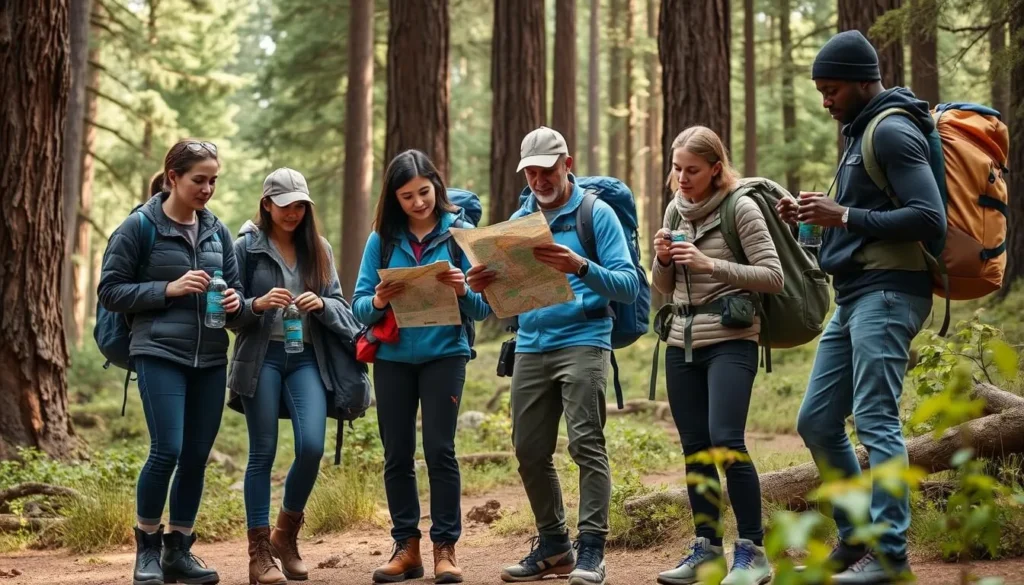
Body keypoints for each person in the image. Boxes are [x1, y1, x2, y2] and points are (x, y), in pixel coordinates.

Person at [775, 30, 945, 585]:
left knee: (874, 418)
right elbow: (859, 209)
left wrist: (843, 217)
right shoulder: (858, 132)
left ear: (860, 79)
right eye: (821, 91)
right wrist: (812, 216)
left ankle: (891, 556)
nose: (825, 100)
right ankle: (858, 538)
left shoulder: (892, 131)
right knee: (818, 421)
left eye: (831, 89)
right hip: (854, 296)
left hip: (891, 291)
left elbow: (929, 217)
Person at [467, 126, 640, 585]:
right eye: (531, 173)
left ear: (567, 163)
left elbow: (628, 285)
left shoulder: (595, 214)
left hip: (584, 339)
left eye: (547, 170)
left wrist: (579, 265)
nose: (539, 181)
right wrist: (479, 288)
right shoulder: (519, 219)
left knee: (586, 443)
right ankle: (554, 545)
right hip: (530, 344)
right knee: (528, 450)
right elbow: (493, 305)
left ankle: (592, 550)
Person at [98, 139, 242, 585]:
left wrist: (238, 302)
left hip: (211, 357)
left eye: (213, 180)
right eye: (199, 179)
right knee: (168, 450)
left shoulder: (218, 231)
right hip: (158, 350)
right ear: (173, 177)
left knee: (197, 457)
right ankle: (147, 548)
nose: (207, 189)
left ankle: (179, 549)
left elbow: (235, 293)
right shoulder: (138, 227)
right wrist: (169, 289)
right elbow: (110, 291)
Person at [651, 126, 782, 585]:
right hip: (681, 340)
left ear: (715, 168)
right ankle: (706, 551)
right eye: (677, 168)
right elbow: (663, 291)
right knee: (695, 450)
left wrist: (711, 265)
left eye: (692, 170)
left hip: (731, 338)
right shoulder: (674, 210)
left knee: (726, 440)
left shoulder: (740, 208)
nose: (682, 178)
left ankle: (753, 552)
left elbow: (772, 276)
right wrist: (663, 259)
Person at [352, 150, 491, 584]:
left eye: (425, 192)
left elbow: (485, 308)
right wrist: (379, 299)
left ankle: (444, 548)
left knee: (439, 449)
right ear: (394, 198)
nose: (418, 203)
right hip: (392, 358)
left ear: (437, 186)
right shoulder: (383, 239)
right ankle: (406, 548)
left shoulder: (460, 235)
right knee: (397, 454)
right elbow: (359, 307)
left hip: (445, 355)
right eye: (408, 195)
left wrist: (462, 289)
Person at [227, 168, 354, 585]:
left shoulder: (319, 248)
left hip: (307, 358)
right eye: (285, 206)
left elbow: (340, 305)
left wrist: (321, 303)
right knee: (262, 452)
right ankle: (259, 553)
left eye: (300, 205)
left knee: (312, 446)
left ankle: (285, 535)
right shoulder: (245, 247)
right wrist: (258, 303)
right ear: (267, 204)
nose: (293, 213)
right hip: (260, 357)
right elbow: (230, 312)